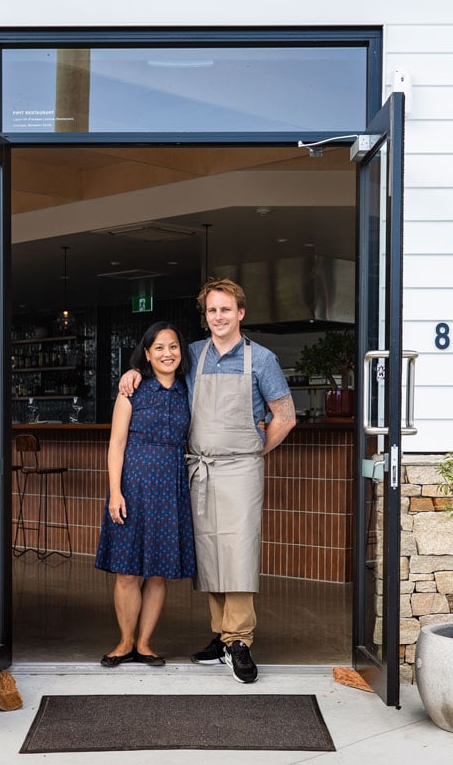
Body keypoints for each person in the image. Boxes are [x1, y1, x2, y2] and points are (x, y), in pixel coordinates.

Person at [119, 278, 296, 683]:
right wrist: (131, 372)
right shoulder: (193, 354)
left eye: (226, 309)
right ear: (206, 316)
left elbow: (285, 417)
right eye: (212, 310)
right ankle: (221, 636)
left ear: (241, 313)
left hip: (240, 469)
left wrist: (253, 450)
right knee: (210, 553)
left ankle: (240, 641)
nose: (219, 317)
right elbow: (157, 365)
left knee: (238, 552)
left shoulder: (263, 360)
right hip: (197, 467)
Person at [95, 321, 196, 668]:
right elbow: (116, 444)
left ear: (181, 352)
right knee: (127, 571)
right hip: (133, 485)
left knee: (158, 572)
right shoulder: (132, 390)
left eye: (173, 347)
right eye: (159, 348)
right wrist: (114, 492)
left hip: (171, 486)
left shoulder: (189, 387)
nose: (167, 353)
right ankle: (124, 643)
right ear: (148, 354)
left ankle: (145, 643)